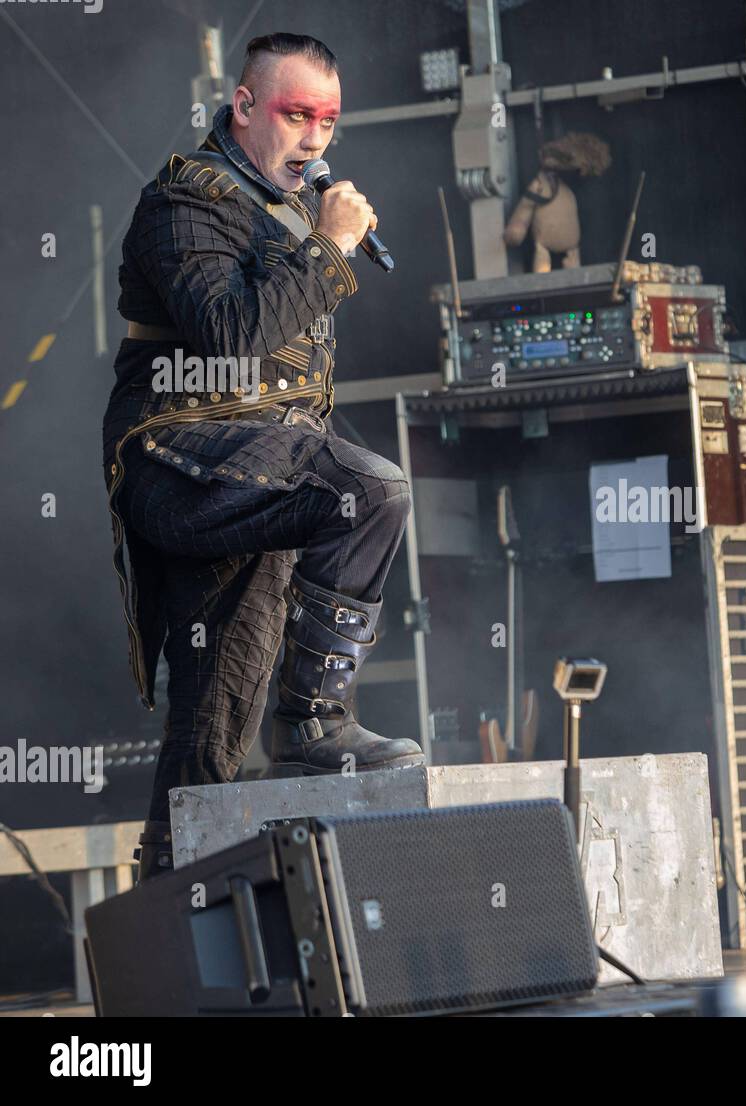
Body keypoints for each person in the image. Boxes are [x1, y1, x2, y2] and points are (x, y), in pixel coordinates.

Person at [101, 33, 424, 879]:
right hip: (178, 458)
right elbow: (231, 338)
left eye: (328, 120)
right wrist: (330, 248)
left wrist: (315, 243)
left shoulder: (287, 214)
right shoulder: (186, 198)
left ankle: (163, 926)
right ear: (244, 108)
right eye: (295, 114)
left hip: (263, 473)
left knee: (214, 722)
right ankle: (316, 720)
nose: (316, 138)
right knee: (372, 488)